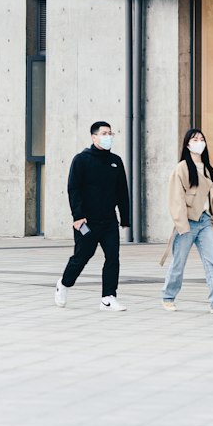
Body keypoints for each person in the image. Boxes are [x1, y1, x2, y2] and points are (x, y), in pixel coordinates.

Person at [55, 121, 129, 311]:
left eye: (111, 133)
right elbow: (73, 189)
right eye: (104, 133)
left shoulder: (116, 161)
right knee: (83, 256)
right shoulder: (81, 159)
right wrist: (78, 216)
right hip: (86, 221)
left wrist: (125, 217)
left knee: (113, 257)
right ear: (94, 137)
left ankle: (108, 297)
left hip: (109, 221)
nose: (108, 136)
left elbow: (122, 191)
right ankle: (64, 283)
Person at [160, 127, 213, 314]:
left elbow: (209, 198)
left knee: (212, 261)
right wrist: (181, 224)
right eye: (194, 139)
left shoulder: (208, 168)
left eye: (201, 139)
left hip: (205, 221)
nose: (199, 142)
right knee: (179, 262)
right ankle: (168, 297)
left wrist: (210, 217)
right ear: (187, 144)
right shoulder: (182, 168)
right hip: (187, 222)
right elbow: (175, 199)